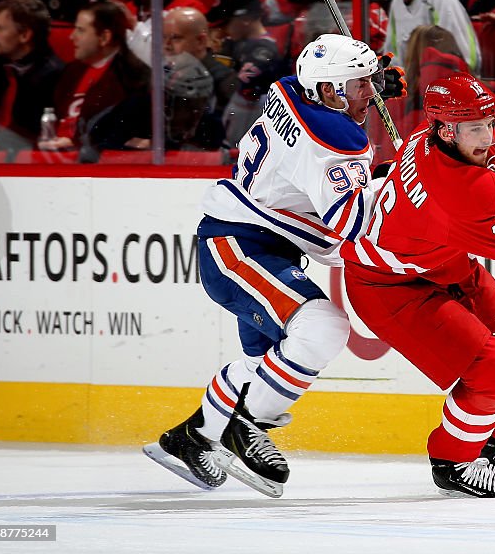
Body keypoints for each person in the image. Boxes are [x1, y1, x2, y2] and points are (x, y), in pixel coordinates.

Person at [144, 35, 394, 497]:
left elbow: (314, 104)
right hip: (241, 246)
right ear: (331, 90)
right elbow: (348, 227)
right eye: (361, 85)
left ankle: (190, 440)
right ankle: (249, 427)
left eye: (370, 82)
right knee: (323, 329)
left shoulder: (289, 89)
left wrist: (364, 92)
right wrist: (392, 185)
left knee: (263, 367)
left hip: (248, 240)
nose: (370, 93)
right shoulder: (335, 142)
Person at [342, 73, 495, 497]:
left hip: (440, 262)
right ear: (446, 130)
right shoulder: (457, 190)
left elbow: (490, 169)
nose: (488, 136)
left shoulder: (428, 137)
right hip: (388, 286)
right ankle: (454, 459)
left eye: (492, 122)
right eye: (475, 128)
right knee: (494, 366)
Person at [41, 0, 150, 153]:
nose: (72, 37)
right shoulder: (71, 71)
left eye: (80, 30)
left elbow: (118, 139)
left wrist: (75, 143)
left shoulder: (134, 79)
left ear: (104, 37)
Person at [0, 0, 64, 148]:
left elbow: (30, 130)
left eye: (0, 28)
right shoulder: (1, 67)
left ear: (25, 35)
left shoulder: (52, 76)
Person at [206, 0, 288, 146]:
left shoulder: (264, 50)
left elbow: (236, 88)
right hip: (226, 133)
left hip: (249, 141)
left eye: (226, 23)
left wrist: (203, 58)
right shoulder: (232, 43)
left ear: (245, 19)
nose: (221, 30)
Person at [164, 7, 236, 118]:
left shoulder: (224, 81)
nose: (166, 45)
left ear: (200, 41)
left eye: (176, 38)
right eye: (163, 37)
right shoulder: (164, 73)